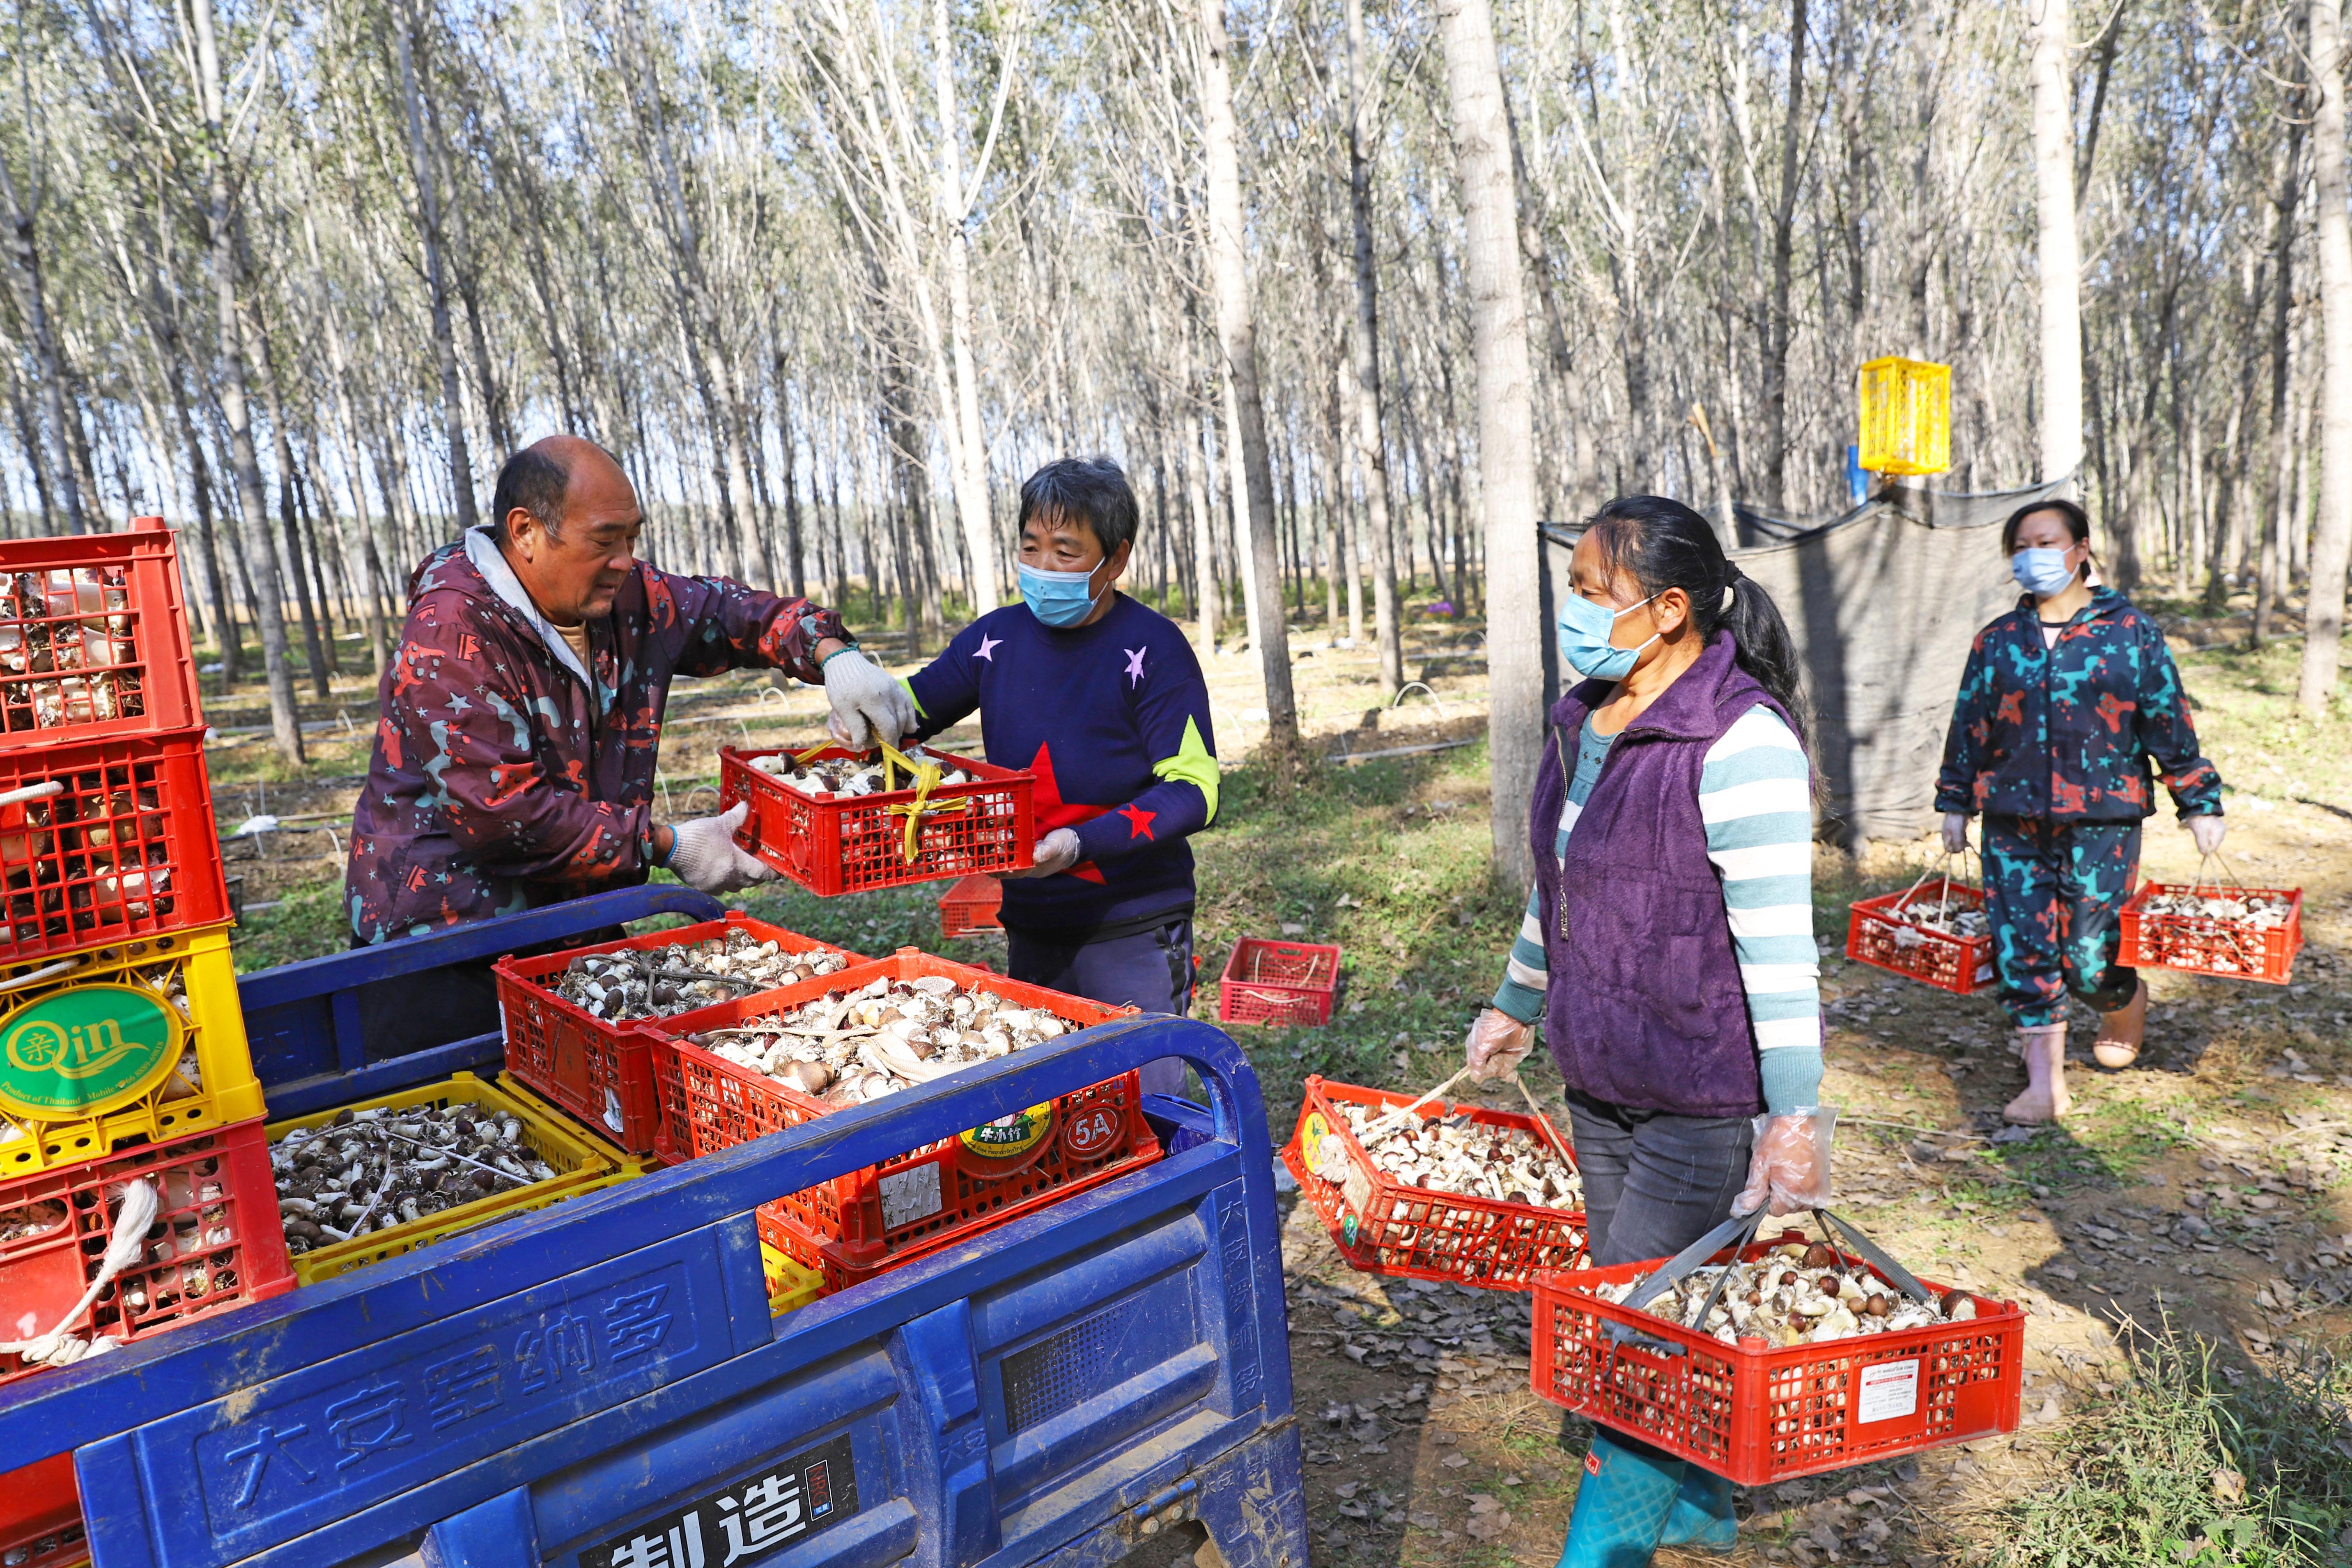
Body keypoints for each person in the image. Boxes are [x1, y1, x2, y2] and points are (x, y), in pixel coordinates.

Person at [1459, 496, 1828, 1568]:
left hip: (1700, 1092)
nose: (1571, 612)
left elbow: (1780, 955)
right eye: (1570, 588)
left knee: (1635, 1327)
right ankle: (1701, 1504)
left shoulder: (1740, 740)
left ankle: (1603, 1552)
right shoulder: (1587, 718)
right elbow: (1556, 888)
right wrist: (1514, 1003)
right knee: (1659, 1298)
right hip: (1599, 1075)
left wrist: (1794, 1115)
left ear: (1670, 609)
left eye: (1591, 593)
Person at [342, 434, 911, 1051]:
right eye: (604, 540)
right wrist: (666, 843)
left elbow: (734, 613)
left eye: (632, 539)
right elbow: (504, 815)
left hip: (572, 925)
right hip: (447, 944)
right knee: (466, 1116)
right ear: (526, 531)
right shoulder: (451, 634)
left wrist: (832, 654)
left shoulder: (626, 600)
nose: (624, 560)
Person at [893, 458, 1218, 1100]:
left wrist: (1081, 843)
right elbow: (911, 708)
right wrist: (860, 692)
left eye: (1067, 551)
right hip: (1032, 919)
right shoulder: (996, 640)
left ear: (1116, 559)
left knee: (1146, 1104)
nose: (1043, 567)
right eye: (1031, 548)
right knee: (1051, 1104)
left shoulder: (1153, 649)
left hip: (1133, 924)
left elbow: (1196, 788)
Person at [1934, 497, 2224, 1123]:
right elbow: (1970, 725)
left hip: (2104, 819)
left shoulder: (2131, 634)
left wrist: (2197, 799)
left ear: (2081, 549)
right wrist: (1955, 800)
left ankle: (2123, 1001)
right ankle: (2046, 1085)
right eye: (2021, 547)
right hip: (2013, 819)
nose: (2033, 557)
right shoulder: (1998, 641)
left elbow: (2168, 721)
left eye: (2046, 542)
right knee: (2024, 949)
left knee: (2090, 959)